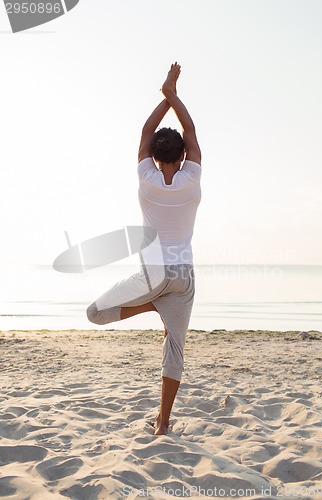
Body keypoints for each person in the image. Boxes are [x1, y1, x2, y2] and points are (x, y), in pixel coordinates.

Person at [86, 62, 202, 435]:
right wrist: (172, 93)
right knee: (176, 352)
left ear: (153, 156)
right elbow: (191, 130)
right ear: (183, 156)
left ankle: (153, 304)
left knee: (96, 313)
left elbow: (147, 130)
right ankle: (163, 421)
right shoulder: (192, 177)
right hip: (183, 277)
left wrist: (164, 95)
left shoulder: (146, 177)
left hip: (152, 276)